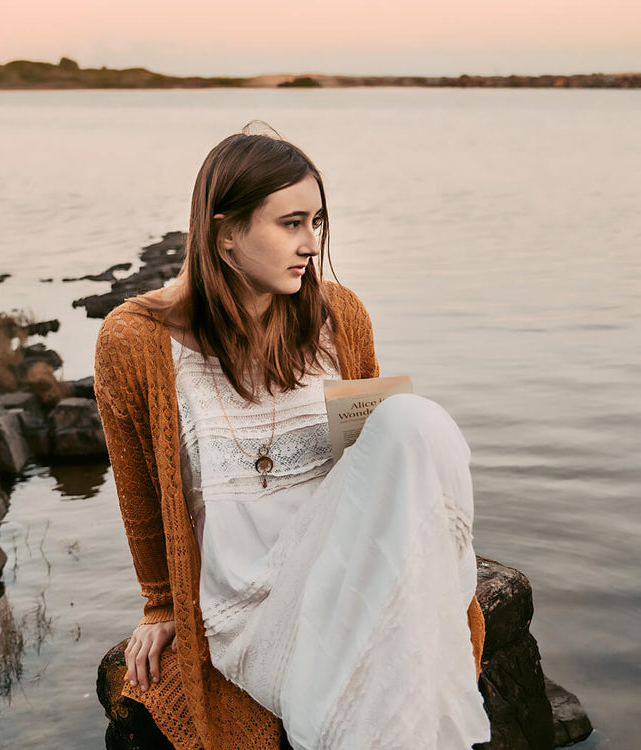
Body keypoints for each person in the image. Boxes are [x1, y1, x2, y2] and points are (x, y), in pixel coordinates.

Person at [93, 125, 492, 750]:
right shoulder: (138, 340)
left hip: (344, 576)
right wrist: (160, 605)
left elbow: (372, 461)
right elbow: (137, 485)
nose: (311, 243)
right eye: (291, 223)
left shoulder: (338, 316)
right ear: (225, 233)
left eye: (318, 222)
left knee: (415, 422)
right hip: (250, 609)